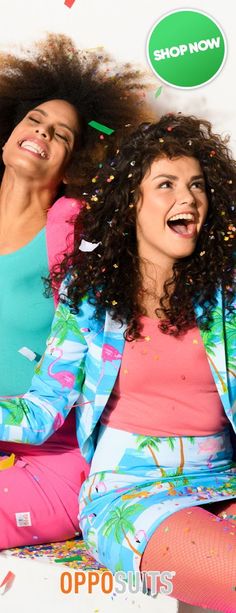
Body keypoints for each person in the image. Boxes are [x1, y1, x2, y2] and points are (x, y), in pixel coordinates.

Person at [0, 113, 235, 612]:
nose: (187, 198)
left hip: (224, 477)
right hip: (133, 495)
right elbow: (43, 410)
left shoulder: (225, 298)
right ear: (132, 203)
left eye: (197, 186)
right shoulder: (90, 299)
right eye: (166, 184)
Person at [0, 32, 154, 549]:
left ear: (73, 163)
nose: (41, 133)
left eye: (62, 135)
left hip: (52, 457)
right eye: (34, 120)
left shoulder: (72, 228)